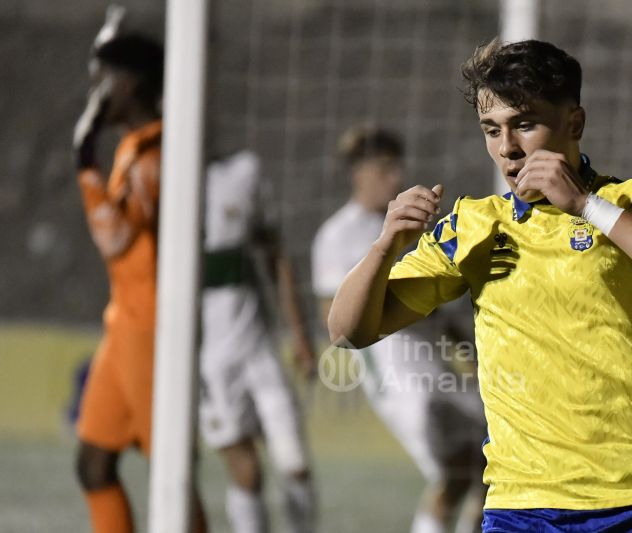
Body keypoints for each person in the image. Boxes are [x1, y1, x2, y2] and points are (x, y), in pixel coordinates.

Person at [327, 38, 632, 533]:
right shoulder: (474, 225)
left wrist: (586, 206)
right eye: (491, 129)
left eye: (524, 124)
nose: (507, 148)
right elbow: (347, 331)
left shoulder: (628, 201)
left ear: (574, 124)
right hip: (522, 509)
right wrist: (384, 247)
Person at [313, 126, 488, 533]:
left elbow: (439, 312)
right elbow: (335, 322)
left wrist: (472, 355)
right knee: (452, 473)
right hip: (397, 375)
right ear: (359, 171)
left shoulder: (410, 225)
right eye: (385, 168)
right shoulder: (338, 236)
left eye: (399, 167)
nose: (397, 177)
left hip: (436, 366)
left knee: (488, 466)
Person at [72, 22, 207, 533]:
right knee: (93, 463)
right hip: (125, 321)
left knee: (171, 477)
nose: (96, 90)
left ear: (128, 84)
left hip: (153, 330)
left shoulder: (158, 155)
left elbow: (114, 239)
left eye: (103, 78)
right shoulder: (140, 142)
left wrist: (84, 155)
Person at [198, 147, 317, 533]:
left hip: (259, 350)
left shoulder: (241, 174)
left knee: (294, 463)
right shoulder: (156, 180)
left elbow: (277, 256)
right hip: (206, 360)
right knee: (245, 471)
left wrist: (299, 334)